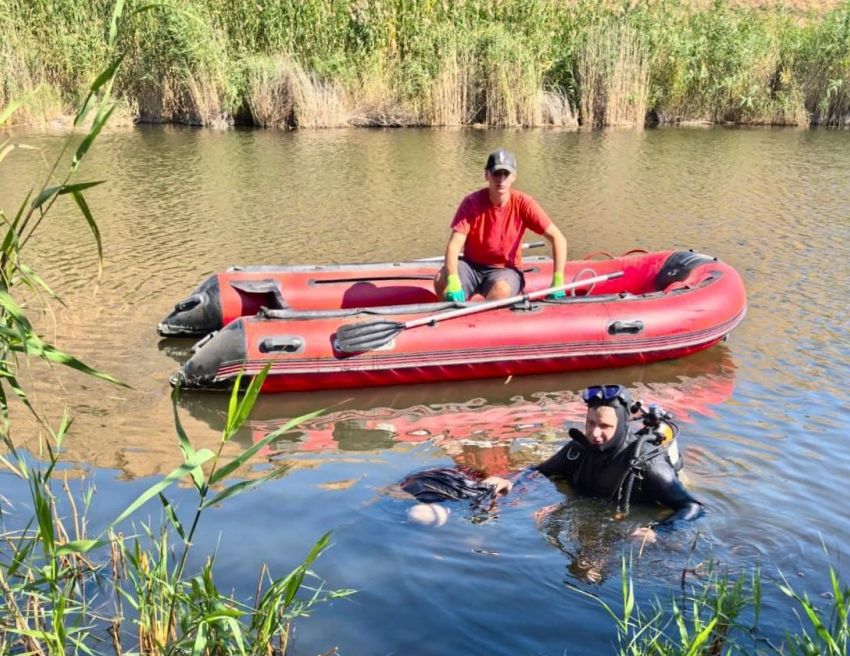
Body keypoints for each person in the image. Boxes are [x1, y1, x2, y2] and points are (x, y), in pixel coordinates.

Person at [489, 384, 703, 544]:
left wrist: (659, 531)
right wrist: (509, 481)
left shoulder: (647, 462)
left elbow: (693, 507)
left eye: (605, 426)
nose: (594, 433)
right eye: (590, 423)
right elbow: (538, 471)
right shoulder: (577, 449)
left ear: (620, 425)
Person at [434, 148, 568, 302]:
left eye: (506, 174)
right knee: (440, 280)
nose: (501, 179)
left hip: (505, 270)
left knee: (500, 291)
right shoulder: (471, 203)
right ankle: (454, 317)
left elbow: (558, 238)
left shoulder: (524, 204)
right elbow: (454, 246)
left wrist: (558, 280)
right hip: (471, 266)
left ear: (514, 176)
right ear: (487, 175)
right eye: (496, 173)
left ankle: (482, 321)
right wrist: (453, 280)